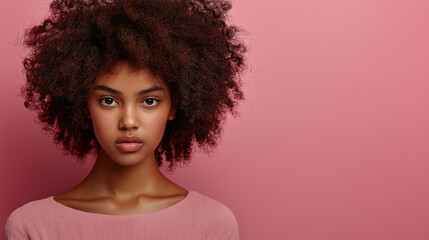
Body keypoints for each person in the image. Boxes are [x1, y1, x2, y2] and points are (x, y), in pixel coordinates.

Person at [3, 0, 246, 239]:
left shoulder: (212, 224)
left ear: (174, 107)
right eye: (108, 100)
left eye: (149, 101)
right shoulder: (31, 226)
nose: (128, 121)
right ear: (84, 104)